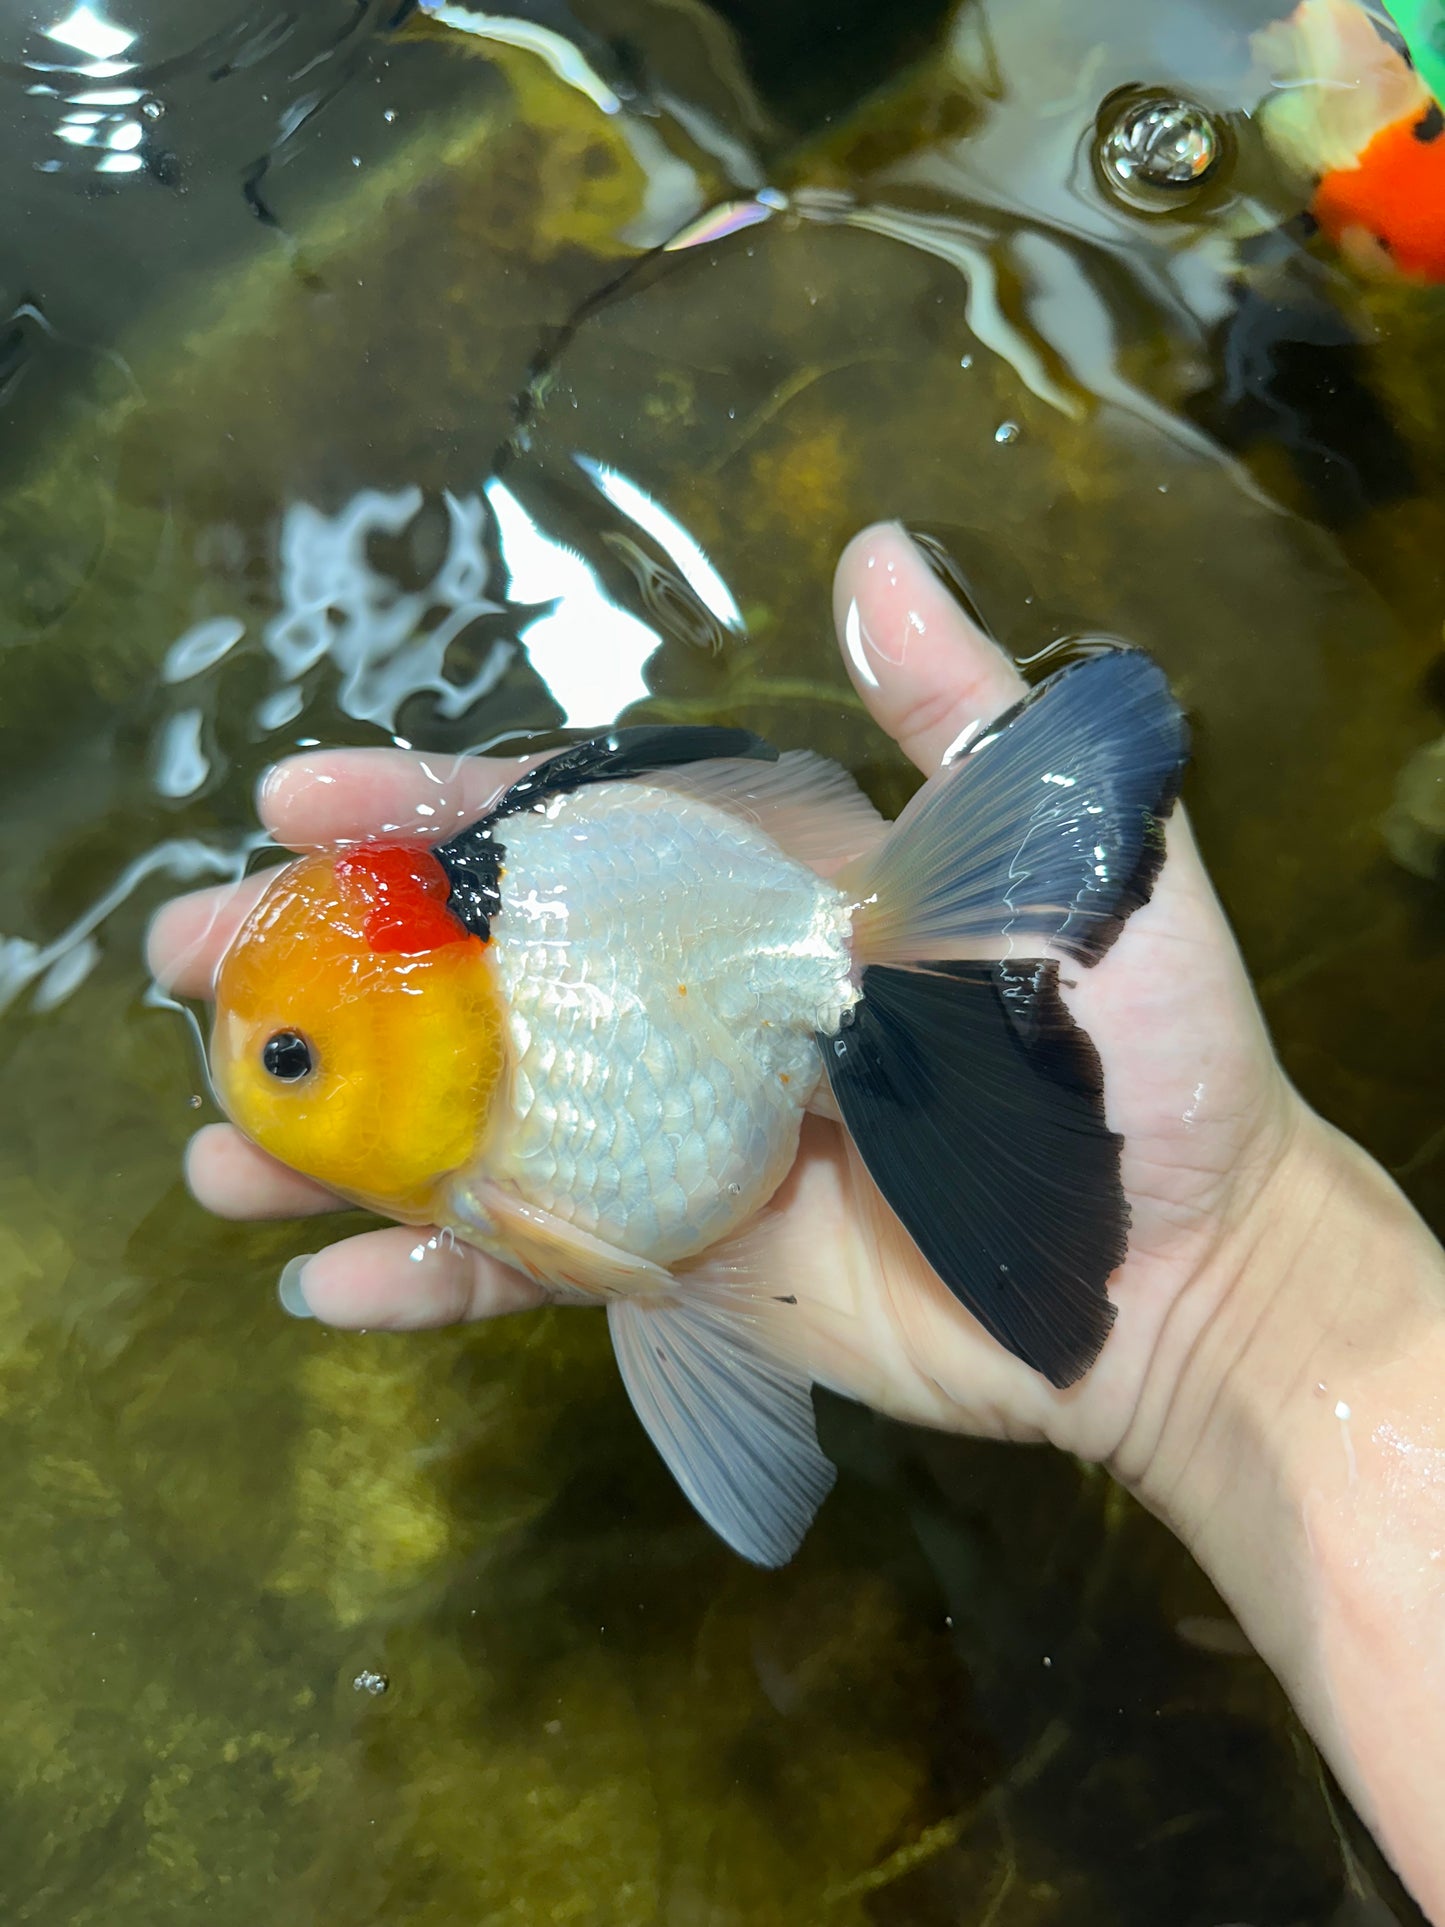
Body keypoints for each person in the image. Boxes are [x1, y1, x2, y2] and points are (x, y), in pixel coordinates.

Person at [148, 523, 1445, 1921]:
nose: (254, 1074)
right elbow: (643, 1270)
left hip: (757, 932)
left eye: (288, 1064)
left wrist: (1227, 1283)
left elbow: (632, 1266)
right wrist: (1227, 1317)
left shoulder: (509, 1164)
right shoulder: (482, 1106)